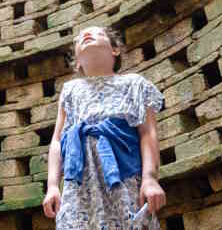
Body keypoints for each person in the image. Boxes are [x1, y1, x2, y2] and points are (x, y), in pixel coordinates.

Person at [42, 26, 166, 229]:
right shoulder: (70, 91)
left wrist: (150, 179)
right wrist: (53, 186)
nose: (86, 35)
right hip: (79, 186)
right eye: (80, 38)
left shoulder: (134, 84)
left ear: (115, 50)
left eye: (97, 33)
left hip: (123, 177)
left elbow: (147, 133)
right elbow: (57, 140)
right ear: (77, 62)